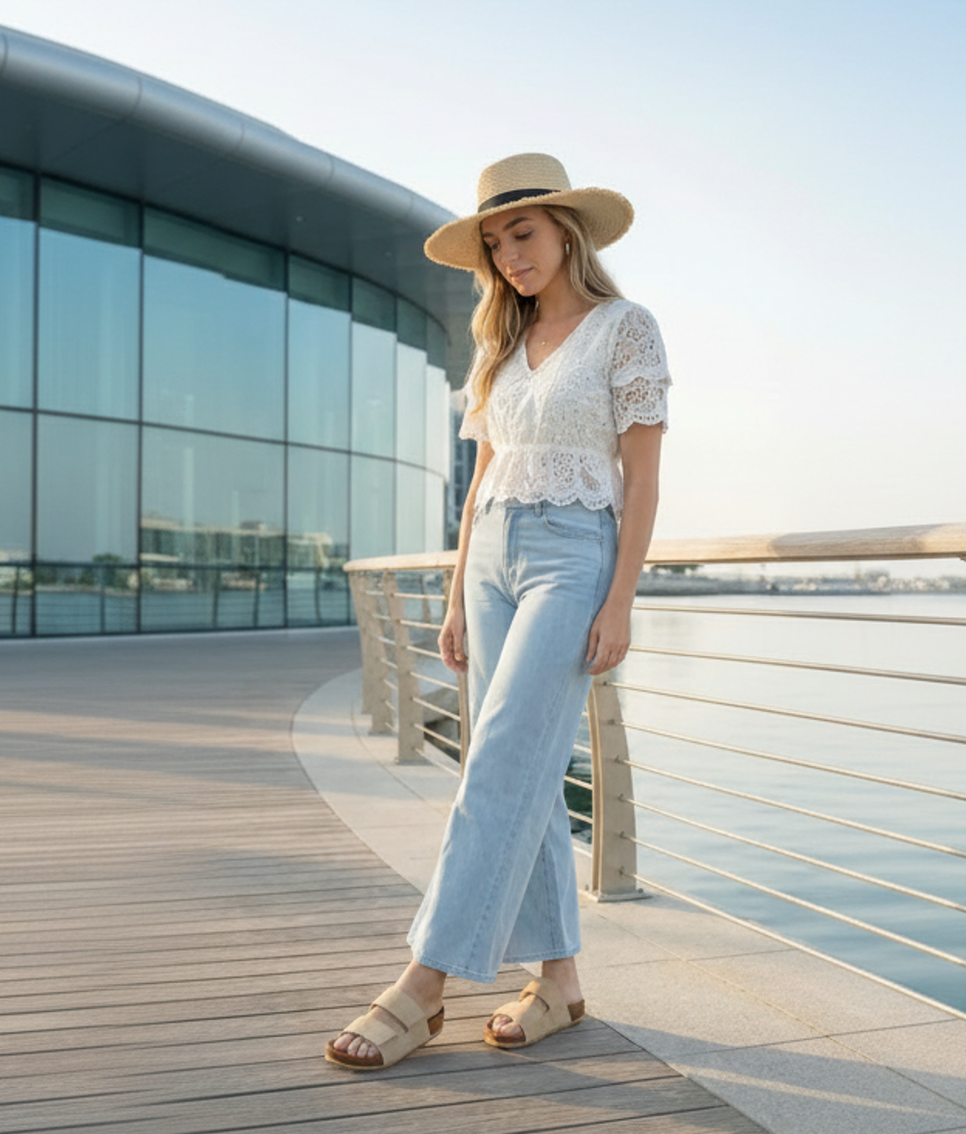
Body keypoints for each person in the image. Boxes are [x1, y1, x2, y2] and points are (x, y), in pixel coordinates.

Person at [326, 153, 670, 1070]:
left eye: (522, 233)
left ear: (567, 232)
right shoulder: (500, 347)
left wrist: (622, 599)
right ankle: (560, 980)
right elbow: (479, 480)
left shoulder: (624, 330)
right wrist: (450, 595)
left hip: (573, 555)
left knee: (500, 765)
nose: (510, 255)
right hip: (488, 561)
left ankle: (423, 983)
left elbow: (641, 479)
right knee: (517, 772)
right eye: (494, 243)